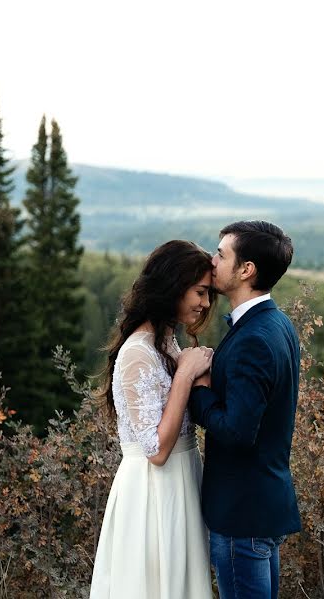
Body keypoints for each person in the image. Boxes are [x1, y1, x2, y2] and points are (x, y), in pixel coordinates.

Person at [89, 240, 216, 599]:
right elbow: (157, 451)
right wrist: (185, 376)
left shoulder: (167, 343)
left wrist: (198, 377)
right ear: (173, 285)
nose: (205, 303)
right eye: (200, 292)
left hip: (182, 481)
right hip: (152, 492)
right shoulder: (137, 353)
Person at [188, 221, 301, 599]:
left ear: (246, 270)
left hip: (242, 515)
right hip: (262, 507)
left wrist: (200, 392)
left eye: (221, 254)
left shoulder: (253, 338)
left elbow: (238, 432)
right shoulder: (277, 324)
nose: (212, 260)